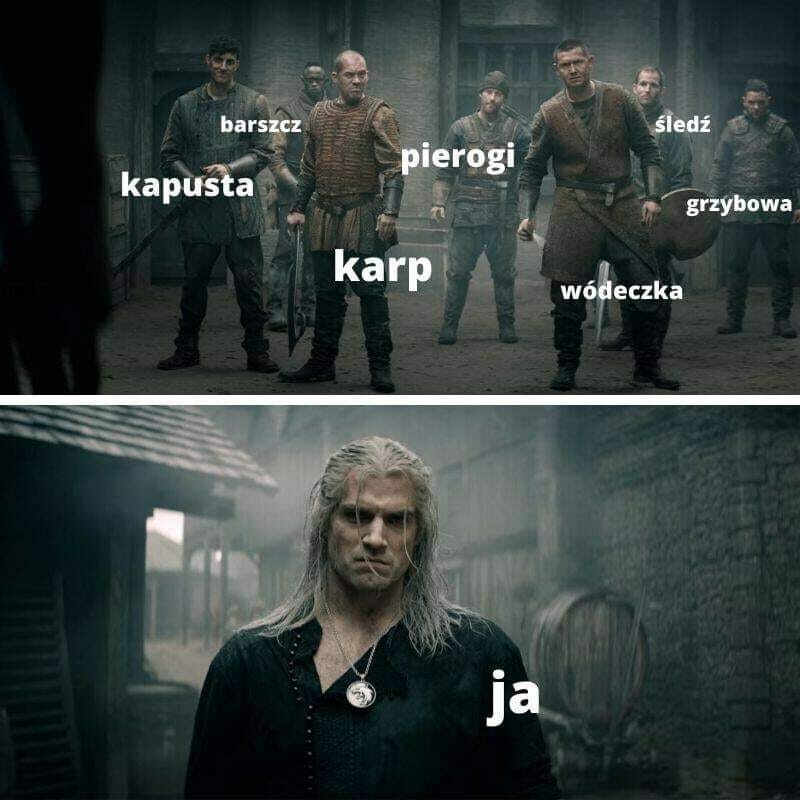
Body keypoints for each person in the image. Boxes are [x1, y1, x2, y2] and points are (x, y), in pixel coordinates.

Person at [185, 437, 561, 799]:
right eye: (357, 516)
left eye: (396, 520)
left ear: (419, 535)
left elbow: (531, 784)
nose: (376, 537)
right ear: (325, 526)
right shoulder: (245, 665)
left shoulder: (489, 658)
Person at [518, 39, 677, 391]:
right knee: (568, 299)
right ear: (556, 68)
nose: (572, 69)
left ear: (591, 62)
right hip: (574, 207)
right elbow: (531, 170)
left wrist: (652, 197)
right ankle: (566, 368)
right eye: (565, 65)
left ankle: (647, 367)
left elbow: (649, 150)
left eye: (578, 62)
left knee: (646, 291)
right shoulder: (549, 112)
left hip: (622, 202)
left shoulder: (620, 99)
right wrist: (527, 214)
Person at [279, 51, 403, 393]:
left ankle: (380, 368)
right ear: (335, 78)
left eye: (362, 74)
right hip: (325, 217)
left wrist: (390, 212)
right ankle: (322, 364)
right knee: (327, 295)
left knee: (371, 294)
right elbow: (308, 167)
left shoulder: (379, 113)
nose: (358, 80)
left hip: (364, 215)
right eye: (350, 75)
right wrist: (298, 207)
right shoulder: (319, 114)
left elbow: (393, 167)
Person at [157, 35, 278, 373]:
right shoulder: (185, 105)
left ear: (236, 65)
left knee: (249, 282)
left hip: (241, 208)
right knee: (194, 282)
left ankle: (257, 351)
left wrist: (228, 169)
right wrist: (191, 179)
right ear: (207, 61)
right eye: (218, 60)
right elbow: (169, 156)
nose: (223, 67)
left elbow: (264, 152)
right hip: (199, 208)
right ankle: (186, 350)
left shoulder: (255, 103)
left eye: (229, 61)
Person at [431, 71, 531, 345]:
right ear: (480, 94)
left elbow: (531, 168)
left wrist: (525, 212)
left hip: (502, 213)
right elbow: (445, 170)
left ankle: (507, 325)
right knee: (458, 272)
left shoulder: (516, 130)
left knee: (504, 274)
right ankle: (450, 324)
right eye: (488, 92)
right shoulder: (461, 128)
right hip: (466, 212)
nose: (492, 97)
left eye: (498, 94)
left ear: (504, 98)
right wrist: (439, 202)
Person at [601, 64, 693, 353]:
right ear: (634, 87)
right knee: (626, 276)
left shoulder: (673, 125)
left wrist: (670, 213)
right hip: (624, 211)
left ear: (661, 90)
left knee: (657, 281)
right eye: (642, 83)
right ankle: (629, 333)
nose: (647, 89)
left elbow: (681, 176)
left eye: (653, 84)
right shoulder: (622, 122)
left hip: (658, 212)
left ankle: (654, 343)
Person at [710, 79, 800, 338]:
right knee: (737, 264)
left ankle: (781, 320)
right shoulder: (732, 129)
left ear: (768, 101)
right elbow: (719, 167)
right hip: (739, 204)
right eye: (752, 102)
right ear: (744, 102)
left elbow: (795, 167)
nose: (756, 107)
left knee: (780, 265)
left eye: (761, 102)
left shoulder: (782, 130)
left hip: (774, 203)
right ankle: (734, 319)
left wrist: (797, 202)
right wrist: (713, 201)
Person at [266, 62, 326, 332]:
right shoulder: (286, 111)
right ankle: (275, 308)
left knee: (316, 252)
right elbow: (275, 158)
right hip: (292, 191)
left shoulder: (334, 109)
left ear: (326, 81)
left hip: (324, 194)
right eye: (309, 80)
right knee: (286, 252)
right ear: (302, 81)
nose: (314, 84)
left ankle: (309, 308)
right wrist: (298, 189)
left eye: (319, 80)